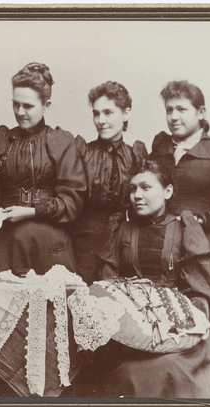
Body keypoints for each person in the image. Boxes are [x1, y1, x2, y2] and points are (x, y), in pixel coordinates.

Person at [90, 155, 210, 398]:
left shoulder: (184, 229)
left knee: (171, 366)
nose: (137, 195)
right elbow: (108, 285)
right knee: (128, 371)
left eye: (145, 187)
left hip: (177, 326)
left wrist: (190, 324)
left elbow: (198, 291)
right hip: (132, 328)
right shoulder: (121, 230)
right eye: (132, 189)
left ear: (168, 191)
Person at [150, 80, 210, 397]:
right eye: (169, 110)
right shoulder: (161, 148)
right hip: (166, 248)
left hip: (207, 250)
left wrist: (199, 220)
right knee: (169, 323)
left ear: (200, 112)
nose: (174, 116)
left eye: (181, 109)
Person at [0, 62, 87, 275]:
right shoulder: (1, 141)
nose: (20, 112)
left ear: (46, 106)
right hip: (4, 247)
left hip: (47, 245)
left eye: (28, 106)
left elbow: (72, 202)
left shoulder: (61, 142)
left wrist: (31, 211)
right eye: (16, 104)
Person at [70, 81, 148, 285]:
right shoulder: (83, 152)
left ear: (126, 113)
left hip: (123, 241)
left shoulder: (136, 156)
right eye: (96, 114)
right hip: (83, 243)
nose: (100, 120)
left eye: (108, 113)